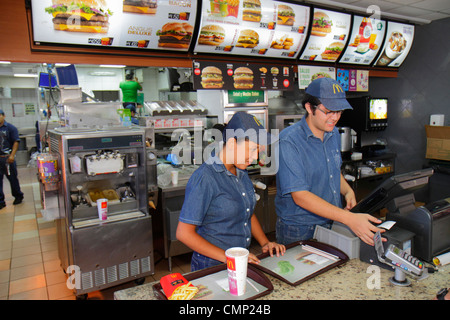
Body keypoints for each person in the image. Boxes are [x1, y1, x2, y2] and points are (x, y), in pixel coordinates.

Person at [275, 78, 384, 246]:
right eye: (328, 111)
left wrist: (348, 191)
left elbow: (332, 170)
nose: (335, 118)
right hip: (300, 229)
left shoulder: (332, 134)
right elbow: (300, 196)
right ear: (309, 108)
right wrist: (349, 219)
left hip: (331, 220)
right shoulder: (289, 141)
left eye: (339, 112)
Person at [176, 111, 285, 271]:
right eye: (253, 149)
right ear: (233, 144)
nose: (256, 158)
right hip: (212, 265)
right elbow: (184, 234)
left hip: (237, 262)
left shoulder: (241, 172)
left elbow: (247, 212)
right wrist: (230, 258)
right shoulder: (205, 178)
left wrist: (265, 243)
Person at [0, 109, 24, 209]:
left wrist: (12, 155)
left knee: (13, 178)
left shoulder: (10, 128)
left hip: (7, 159)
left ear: (3, 116)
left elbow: (16, 142)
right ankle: (1, 201)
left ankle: (18, 196)